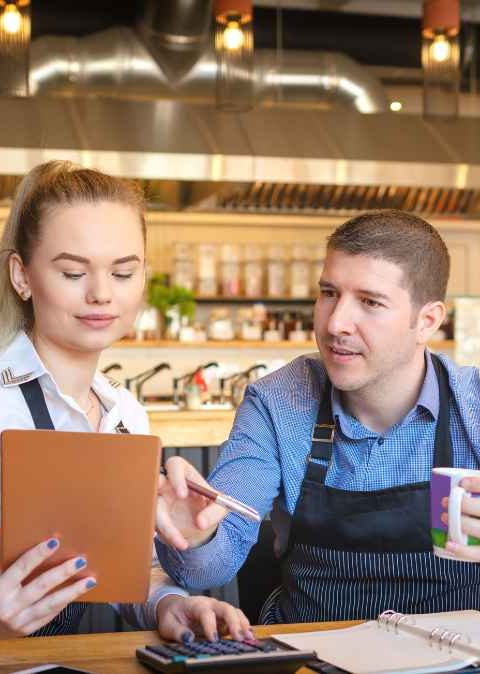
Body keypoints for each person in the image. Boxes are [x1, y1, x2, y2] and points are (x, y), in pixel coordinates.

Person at [155, 209, 480, 624]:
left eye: (369, 302)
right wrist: (195, 532)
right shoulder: (276, 402)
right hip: (309, 655)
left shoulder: (473, 405)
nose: (335, 323)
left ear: (427, 320)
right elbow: (208, 569)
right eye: (329, 293)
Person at [0, 160, 251, 641]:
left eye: (122, 272)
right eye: (73, 272)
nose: (101, 294)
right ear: (22, 275)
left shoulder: (123, 414)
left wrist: (171, 603)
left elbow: (127, 569)